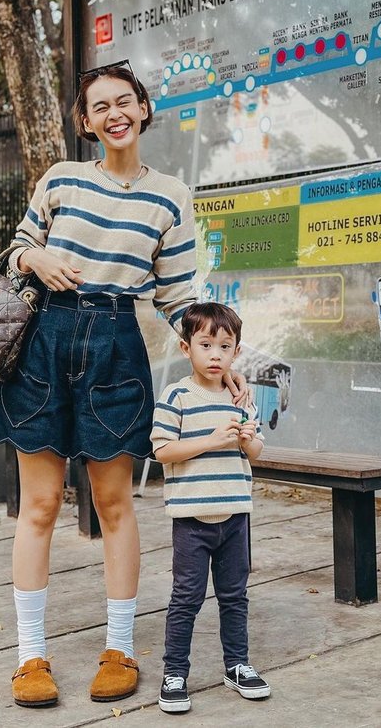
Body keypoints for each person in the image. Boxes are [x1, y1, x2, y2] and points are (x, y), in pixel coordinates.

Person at [0, 60, 249, 708]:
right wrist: (35, 255)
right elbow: (16, 250)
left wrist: (220, 355)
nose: (113, 114)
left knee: (115, 505)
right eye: (99, 106)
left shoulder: (170, 196)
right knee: (40, 505)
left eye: (123, 102)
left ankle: (120, 648)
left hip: (115, 345)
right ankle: (30, 658)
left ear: (145, 109)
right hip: (44, 340)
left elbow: (180, 295)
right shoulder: (62, 178)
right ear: (86, 121)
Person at [150, 302, 270, 714]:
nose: (215, 354)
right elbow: (162, 451)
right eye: (206, 345)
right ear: (186, 348)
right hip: (191, 517)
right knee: (187, 596)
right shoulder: (177, 396)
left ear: (237, 351)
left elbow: (254, 452)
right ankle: (174, 673)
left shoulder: (240, 397)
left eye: (225, 346)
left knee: (235, 596)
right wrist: (211, 441)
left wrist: (246, 437)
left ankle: (237, 665)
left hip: (236, 513)